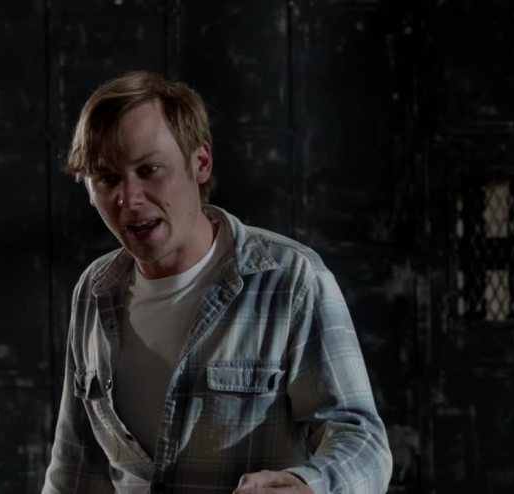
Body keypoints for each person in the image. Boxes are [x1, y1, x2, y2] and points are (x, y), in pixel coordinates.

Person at [42, 71, 392, 494]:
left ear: (201, 163)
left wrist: (308, 486)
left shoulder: (291, 279)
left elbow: (362, 441)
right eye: (107, 179)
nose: (129, 199)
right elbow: (75, 469)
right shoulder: (95, 290)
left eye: (149, 170)